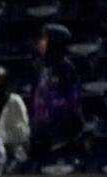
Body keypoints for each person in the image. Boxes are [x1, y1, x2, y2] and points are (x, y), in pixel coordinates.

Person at [30, 23, 83, 161]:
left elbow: (73, 102)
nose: (41, 42)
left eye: (45, 39)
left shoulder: (66, 68)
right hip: (41, 132)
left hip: (62, 134)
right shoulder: (39, 66)